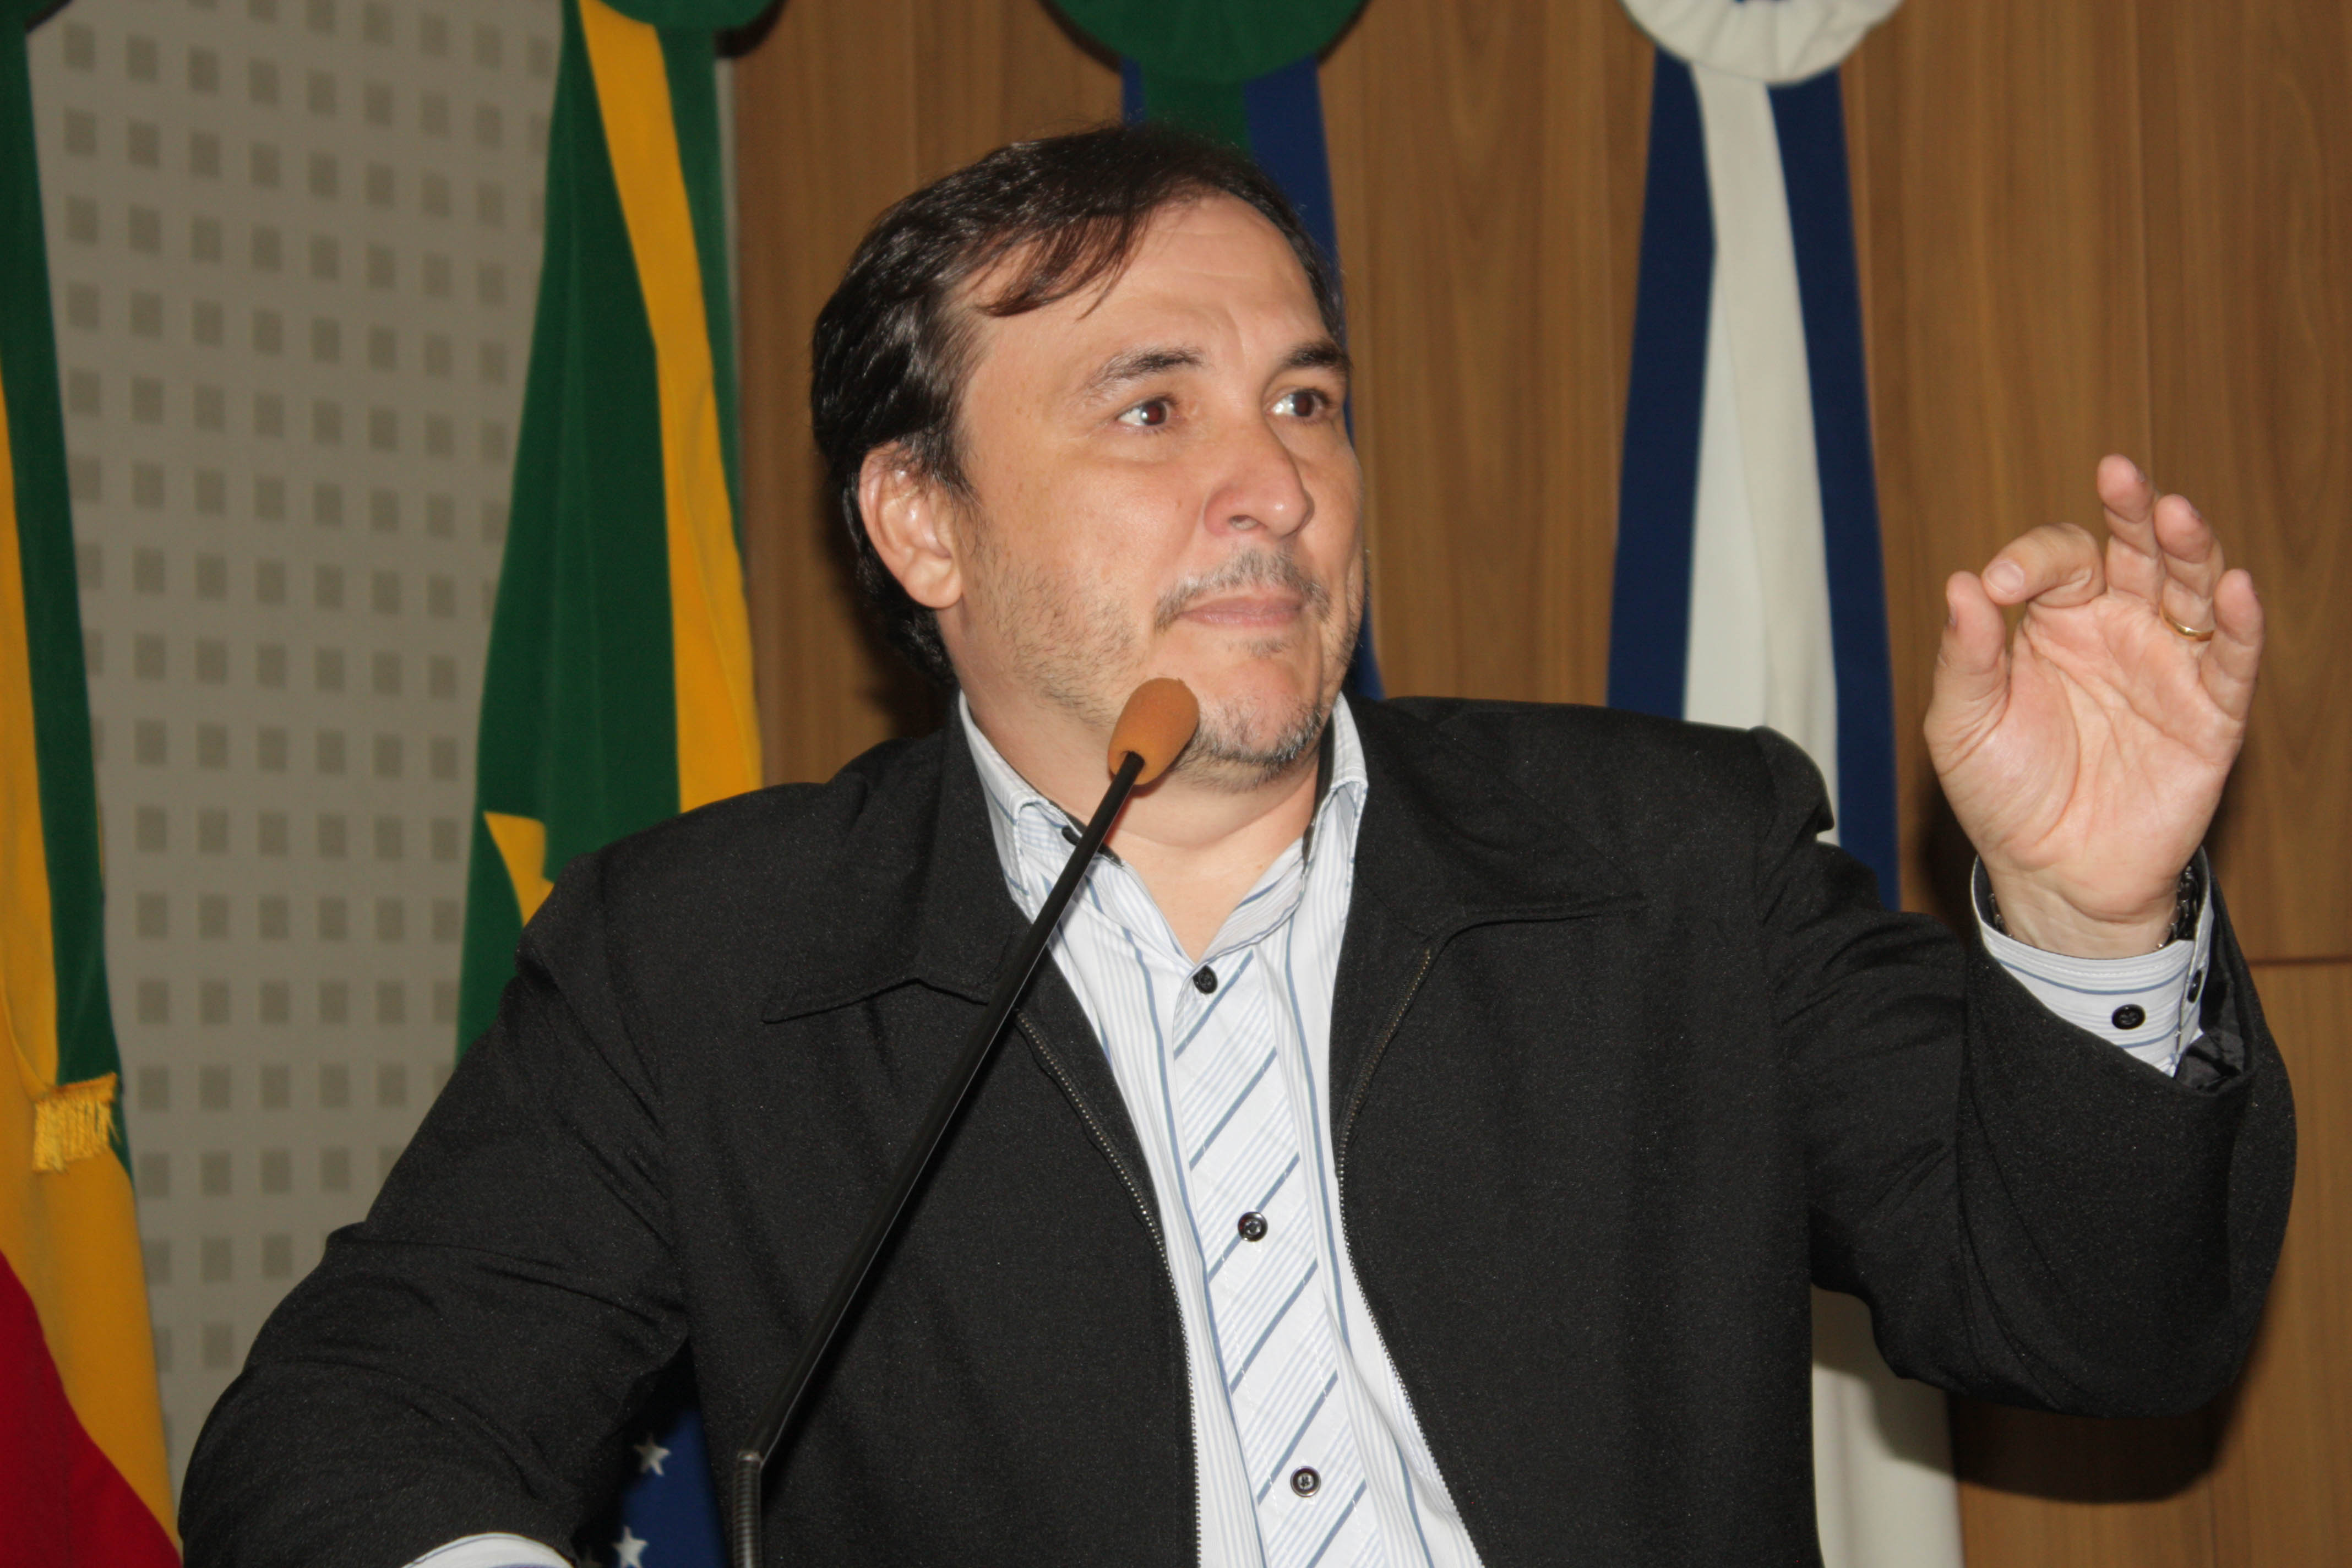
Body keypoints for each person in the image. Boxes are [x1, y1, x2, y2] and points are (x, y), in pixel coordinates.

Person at [180, 125, 2292, 1568]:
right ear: (922, 523)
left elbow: (2107, 1329)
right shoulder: (709, 962)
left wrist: (2089, 911)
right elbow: (346, 1428)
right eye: (1152, 408)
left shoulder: (1667, 859)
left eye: (1304, 401)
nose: (1273, 482)